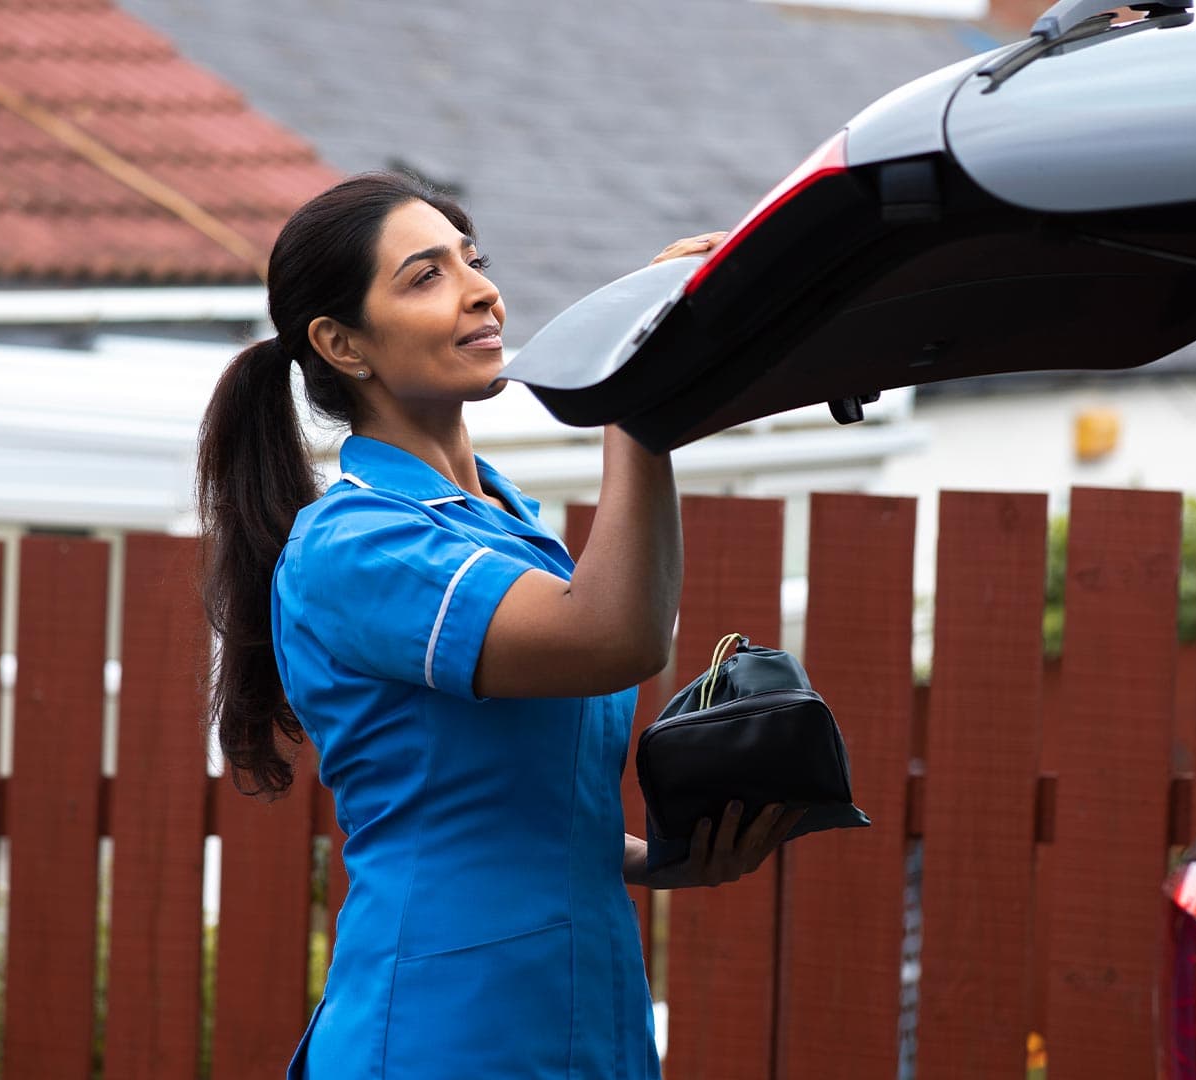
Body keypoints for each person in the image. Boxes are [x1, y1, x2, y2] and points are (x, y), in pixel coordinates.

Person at [196, 172, 802, 1079]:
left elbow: (489, 798)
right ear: (341, 343)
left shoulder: (504, 521)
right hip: (447, 1030)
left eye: (474, 261)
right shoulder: (358, 543)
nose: (482, 288)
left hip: (583, 1008)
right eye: (425, 276)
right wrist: (637, 388)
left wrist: (647, 859)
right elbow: (616, 639)